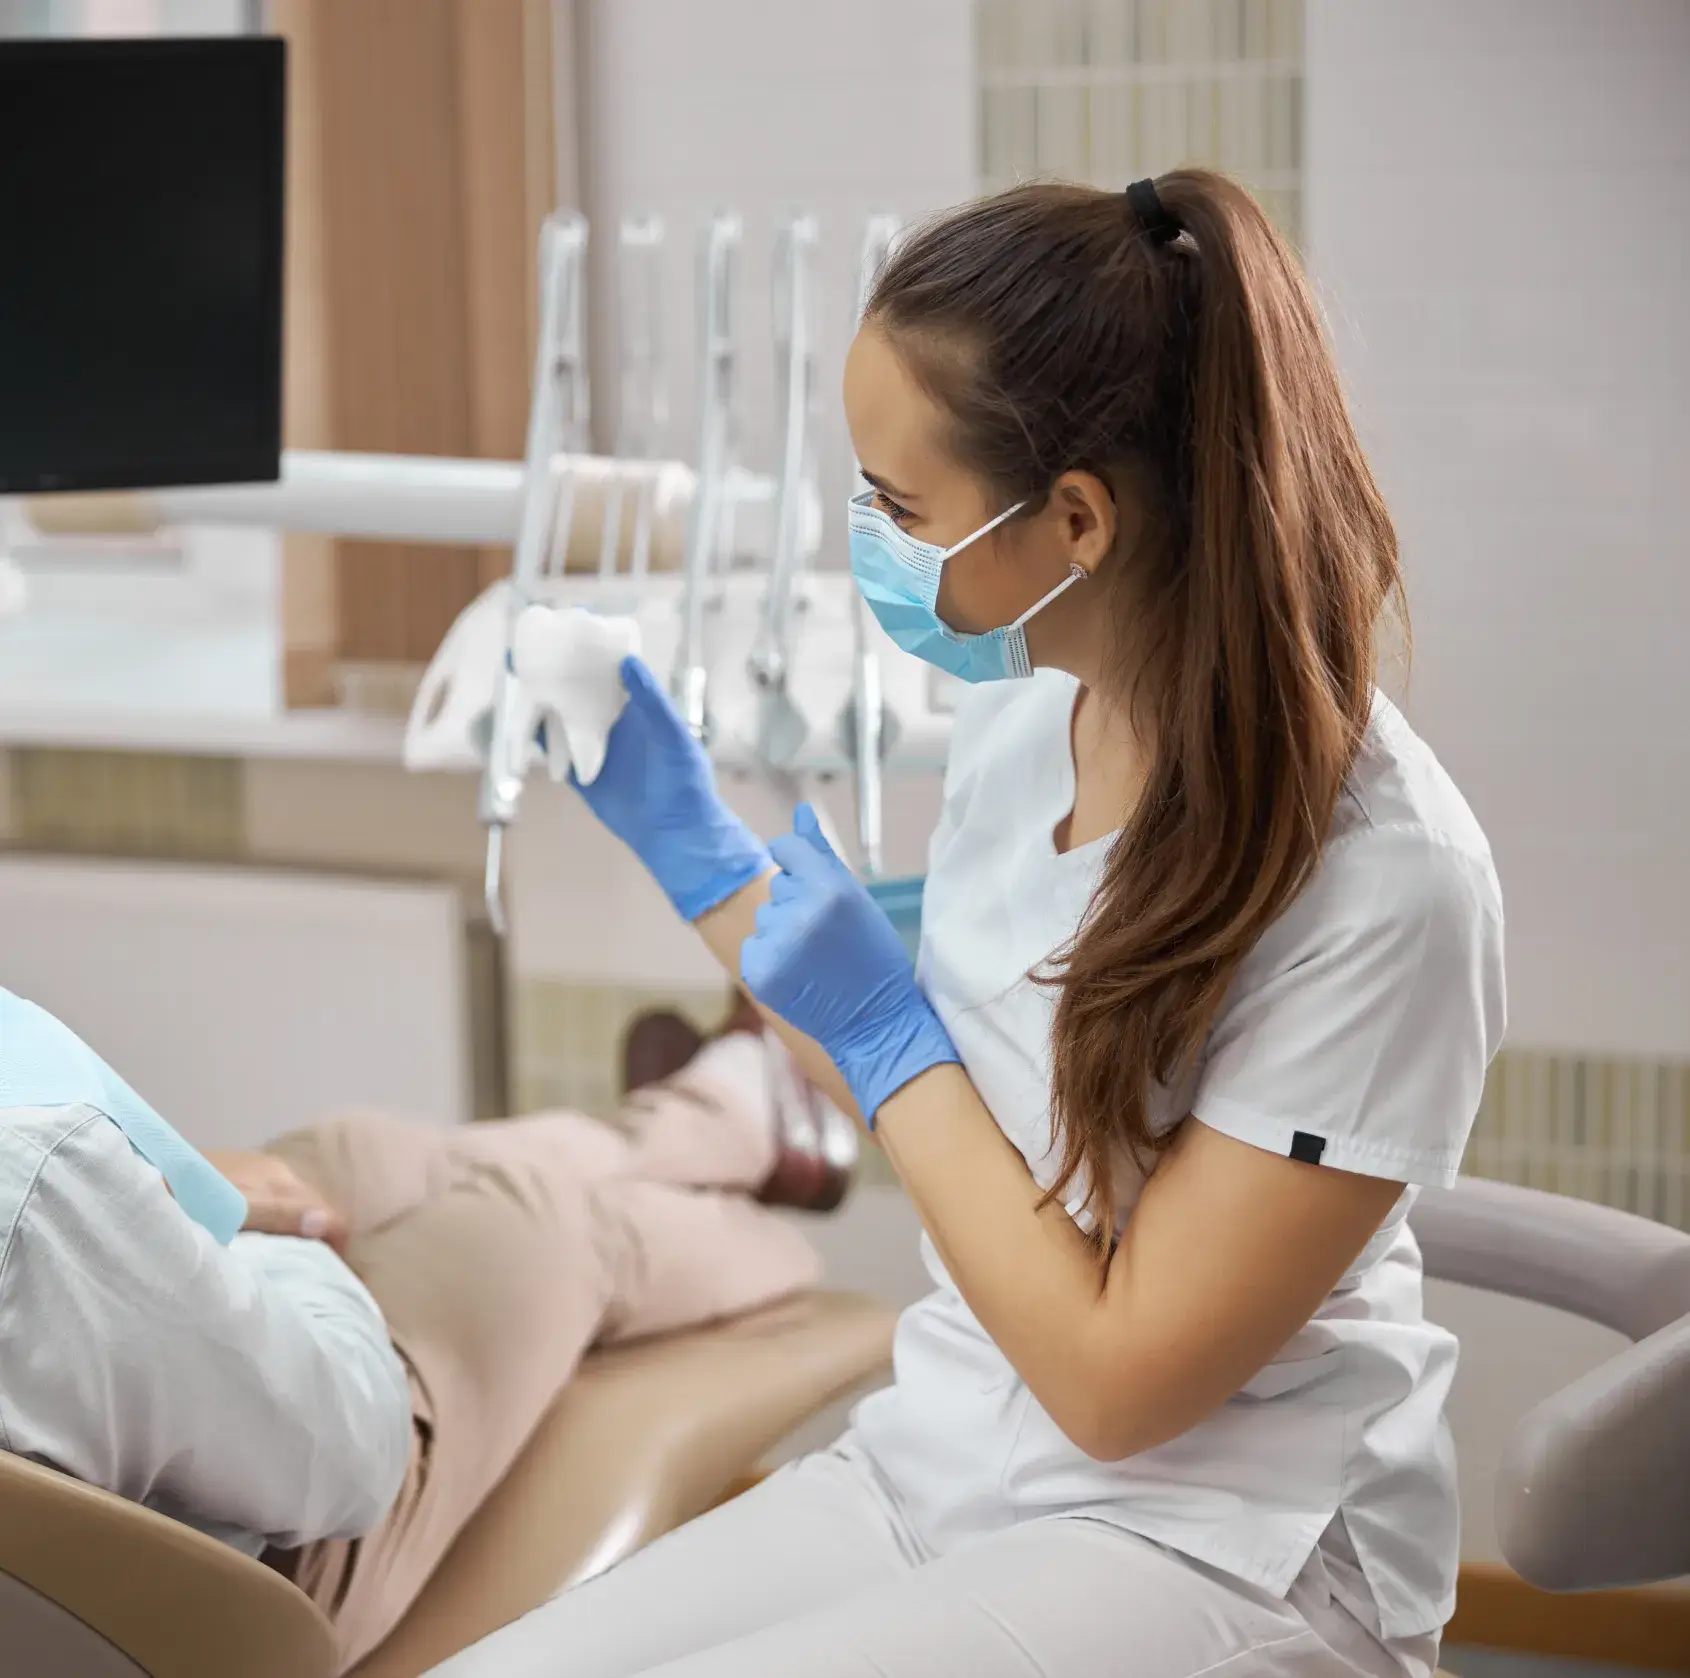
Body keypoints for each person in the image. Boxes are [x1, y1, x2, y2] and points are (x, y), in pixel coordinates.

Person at [429, 170, 1505, 1678]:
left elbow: (1118, 1378)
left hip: (1217, 1539)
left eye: (898, 503)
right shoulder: (1025, 726)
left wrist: (882, 1031)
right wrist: (683, 839)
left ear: (1073, 519)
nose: (869, 535)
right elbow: (933, 1075)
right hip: (948, 1458)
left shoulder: (1386, 884)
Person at [0, 985, 840, 1672]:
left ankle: (729, 1115)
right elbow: (349, 1450)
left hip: (108, 1334)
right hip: (243, 1582)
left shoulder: (47, 1181)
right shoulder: (40, 1188)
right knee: (539, 1220)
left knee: (358, 1148)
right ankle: (759, 1171)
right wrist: (270, 1230)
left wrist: (184, 1198)